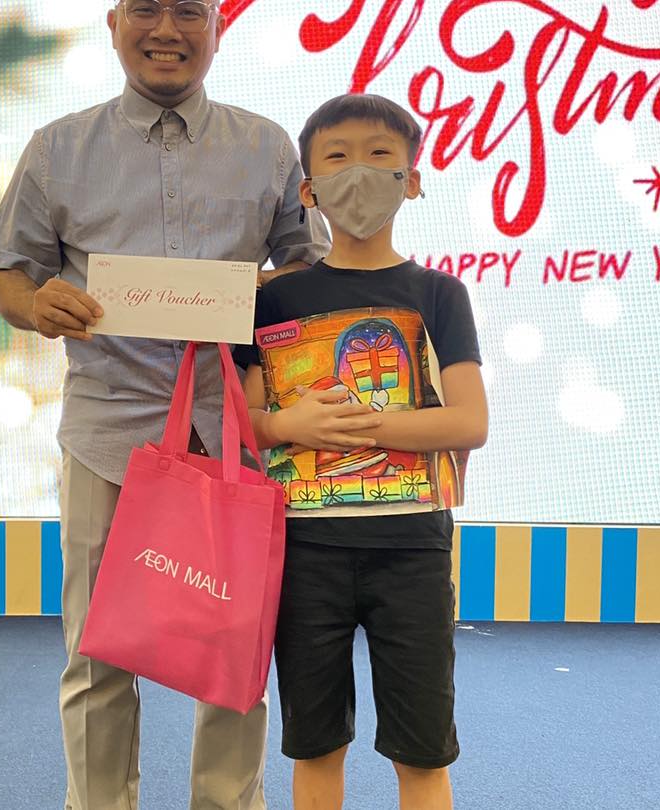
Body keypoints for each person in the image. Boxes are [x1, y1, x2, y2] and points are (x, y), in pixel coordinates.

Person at [0, 1, 329, 808]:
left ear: (215, 26)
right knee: (98, 652)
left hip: (234, 425)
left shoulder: (268, 145)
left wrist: (278, 293)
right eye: (147, 8)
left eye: (189, 12)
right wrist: (37, 306)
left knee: (235, 647)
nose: (166, 29)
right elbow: (7, 274)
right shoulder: (58, 148)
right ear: (112, 22)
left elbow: (307, 268)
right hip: (110, 428)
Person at [235, 94, 489, 810]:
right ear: (307, 190)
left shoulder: (439, 294)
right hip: (303, 552)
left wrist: (354, 426)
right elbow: (243, 423)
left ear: (412, 179)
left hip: (412, 549)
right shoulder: (271, 301)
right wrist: (288, 427)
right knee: (314, 744)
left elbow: (469, 421)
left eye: (381, 157)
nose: (359, 173)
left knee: (423, 747)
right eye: (337, 157)